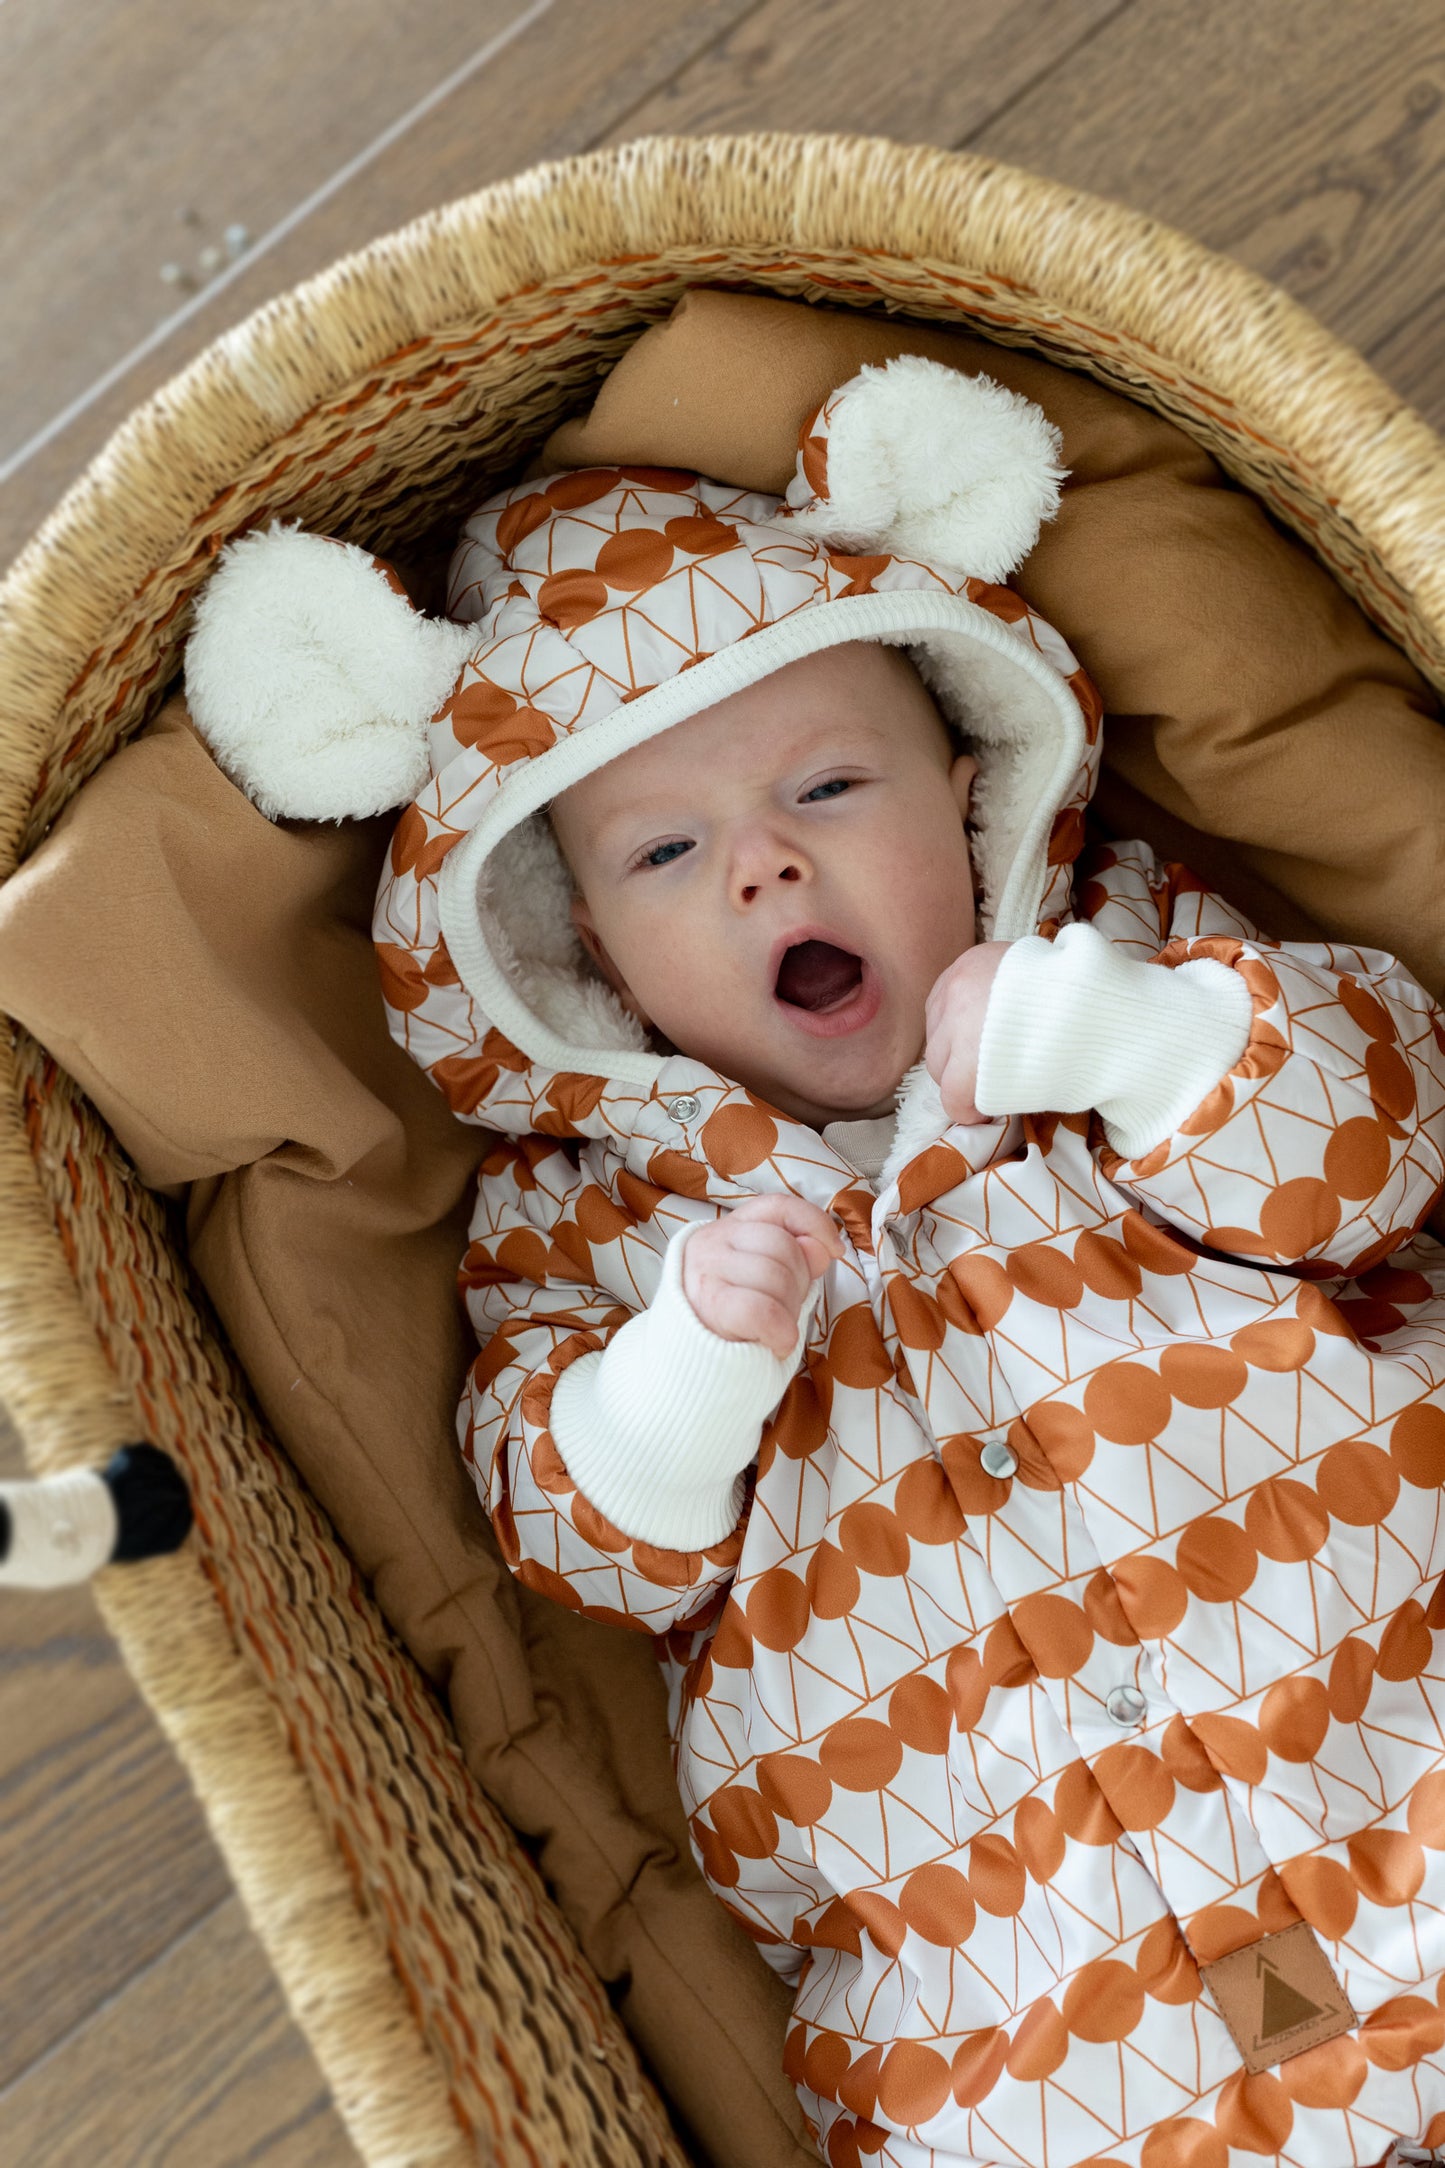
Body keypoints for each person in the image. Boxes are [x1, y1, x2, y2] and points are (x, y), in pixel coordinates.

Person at [188, 355, 1445, 2167]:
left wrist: (1144, 1050)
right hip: (1027, 1997)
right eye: (670, 851)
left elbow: (1376, 1146)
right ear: (585, 955)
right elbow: (568, 1528)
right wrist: (679, 1381)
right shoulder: (594, 1228)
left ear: (965, 788)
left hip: (1385, 1718)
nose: (765, 870)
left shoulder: (1133, 970)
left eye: (830, 784)